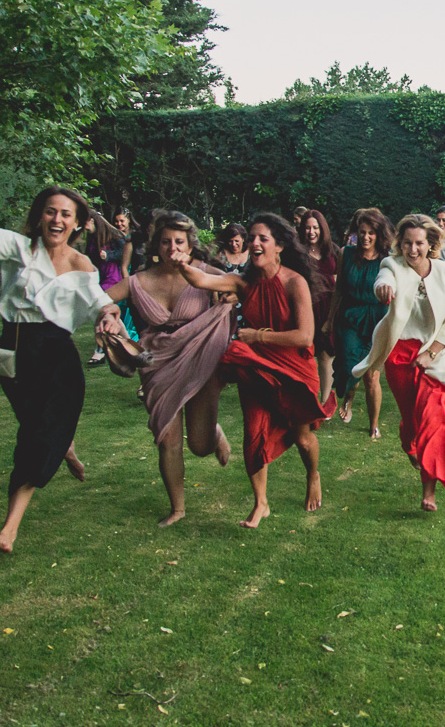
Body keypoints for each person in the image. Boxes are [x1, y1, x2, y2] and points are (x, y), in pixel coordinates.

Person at [0, 187, 109, 552]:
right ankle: (63, 448)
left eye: (65, 214)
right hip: (15, 352)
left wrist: (110, 319)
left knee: (35, 438)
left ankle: (9, 529)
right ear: (39, 215)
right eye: (50, 211)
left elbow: (102, 304)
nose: (56, 220)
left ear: (77, 223)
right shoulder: (18, 247)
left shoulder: (82, 264)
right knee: (37, 430)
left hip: (58, 358)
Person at [179, 213, 329, 527]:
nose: (254, 243)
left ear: (280, 247)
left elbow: (305, 336)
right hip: (256, 367)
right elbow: (202, 280)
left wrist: (258, 336)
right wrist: (181, 261)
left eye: (262, 238)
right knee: (254, 434)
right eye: (251, 238)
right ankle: (261, 503)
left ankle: (313, 474)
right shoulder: (244, 283)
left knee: (303, 438)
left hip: (294, 367)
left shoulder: (294, 282)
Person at [97, 211, 233, 526]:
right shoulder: (138, 280)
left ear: (190, 245)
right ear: (156, 245)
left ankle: (213, 433)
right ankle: (178, 509)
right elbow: (100, 299)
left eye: (179, 242)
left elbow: (243, 286)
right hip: (156, 362)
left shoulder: (203, 272)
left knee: (199, 445)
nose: (173, 248)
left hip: (200, 358)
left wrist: (229, 297)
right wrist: (110, 313)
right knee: (167, 437)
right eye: (166, 241)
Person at [353, 213, 445, 512]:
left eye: (418, 244)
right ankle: (411, 445)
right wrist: (383, 290)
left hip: (436, 354)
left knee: (435, 418)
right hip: (400, 355)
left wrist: (431, 354)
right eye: (406, 243)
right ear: (399, 244)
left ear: (430, 244)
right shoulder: (392, 266)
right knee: (413, 422)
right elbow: (383, 280)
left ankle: (429, 489)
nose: (412, 250)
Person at [330, 208, 394, 437]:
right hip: (350, 317)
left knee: (372, 376)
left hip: (377, 319)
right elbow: (338, 290)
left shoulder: (389, 260)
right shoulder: (345, 254)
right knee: (350, 368)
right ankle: (349, 394)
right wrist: (329, 320)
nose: (365, 238)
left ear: (379, 235)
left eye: (371, 233)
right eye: (362, 232)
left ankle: (373, 424)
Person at [299, 208, 339, 409]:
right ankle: (305, 397)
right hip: (305, 307)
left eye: (315, 227)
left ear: (322, 229)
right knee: (305, 354)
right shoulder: (297, 253)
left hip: (327, 308)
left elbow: (342, 279)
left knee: (325, 354)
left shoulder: (333, 250)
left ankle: (325, 401)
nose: (311, 232)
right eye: (307, 228)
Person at [84, 212, 133, 365]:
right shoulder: (91, 238)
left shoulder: (112, 235)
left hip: (112, 278)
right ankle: (130, 346)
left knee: (102, 310)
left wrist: (109, 255)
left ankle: (99, 351)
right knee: (108, 313)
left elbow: (123, 254)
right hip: (100, 278)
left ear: (92, 220)